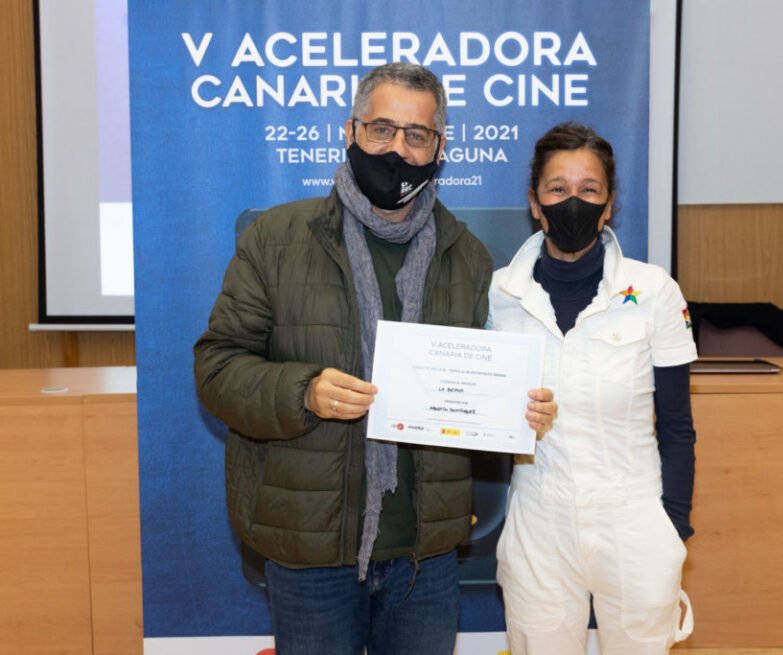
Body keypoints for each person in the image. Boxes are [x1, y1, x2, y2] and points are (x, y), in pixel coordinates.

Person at [193, 62, 556, 655]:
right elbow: (217, 367)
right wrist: (302, 392)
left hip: (425, 556)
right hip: (309, 547)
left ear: (440, 147)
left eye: (417, 136)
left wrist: (519, 407)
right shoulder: (277, 239)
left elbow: (479, 385)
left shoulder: (468, 257)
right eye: (381, 129)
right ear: (349, 131)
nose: (397, 150)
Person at [488, 122, 697, 654]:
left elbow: (677, 427)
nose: (572, 203)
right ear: (535, 203)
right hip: (538, 517)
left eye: (589, 191)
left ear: (608, 206)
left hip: (634, 518)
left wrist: (671, 524)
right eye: (557, 189)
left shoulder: (653, 291)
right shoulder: (498, 294)